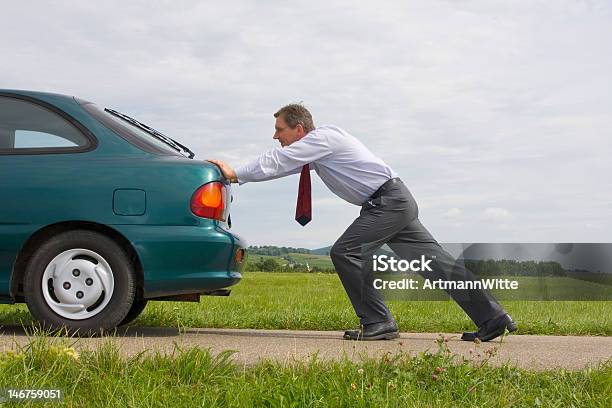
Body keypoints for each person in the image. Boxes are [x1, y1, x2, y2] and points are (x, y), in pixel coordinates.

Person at [208, 104, 517, 341]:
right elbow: (280, 167)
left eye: (279, 130)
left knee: (346, 251)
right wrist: (243, 176)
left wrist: (235, 172)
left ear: (299, 129)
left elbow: (277, 161)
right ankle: (494, 318)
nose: (276, 137)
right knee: (435, 263)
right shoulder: (316, 149)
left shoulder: (323, 138)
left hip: (388, 202)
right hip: (393, 201)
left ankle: (378, 322)